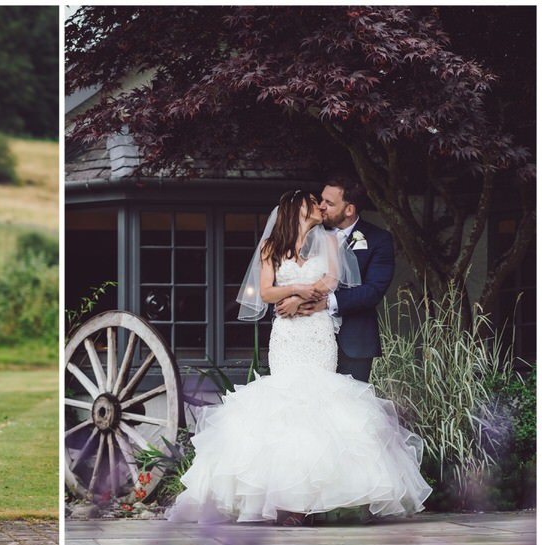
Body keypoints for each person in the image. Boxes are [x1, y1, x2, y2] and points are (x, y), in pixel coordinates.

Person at [167, 190, 430, 526]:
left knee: (318, 404)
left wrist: (302, 300)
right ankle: (287, 503)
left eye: (322, 202)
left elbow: (332, 281)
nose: (320, 207)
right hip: (288, 337)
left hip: (318, 332)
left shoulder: (331, 242)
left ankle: (313, 502)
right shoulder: (271, 247)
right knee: (286, 407)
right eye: (313, 203)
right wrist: (299, 291)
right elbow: (266, 292)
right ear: (297, 210)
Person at [275, 176, 394, 383]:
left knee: (348, 411)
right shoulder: (303, 234)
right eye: (321, 200)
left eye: (329, 203)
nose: (321, 207)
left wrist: (325, 302)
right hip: (302, 338)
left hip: (354, 341)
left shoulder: (378, 240)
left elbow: (373, 290)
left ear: (349, 210)